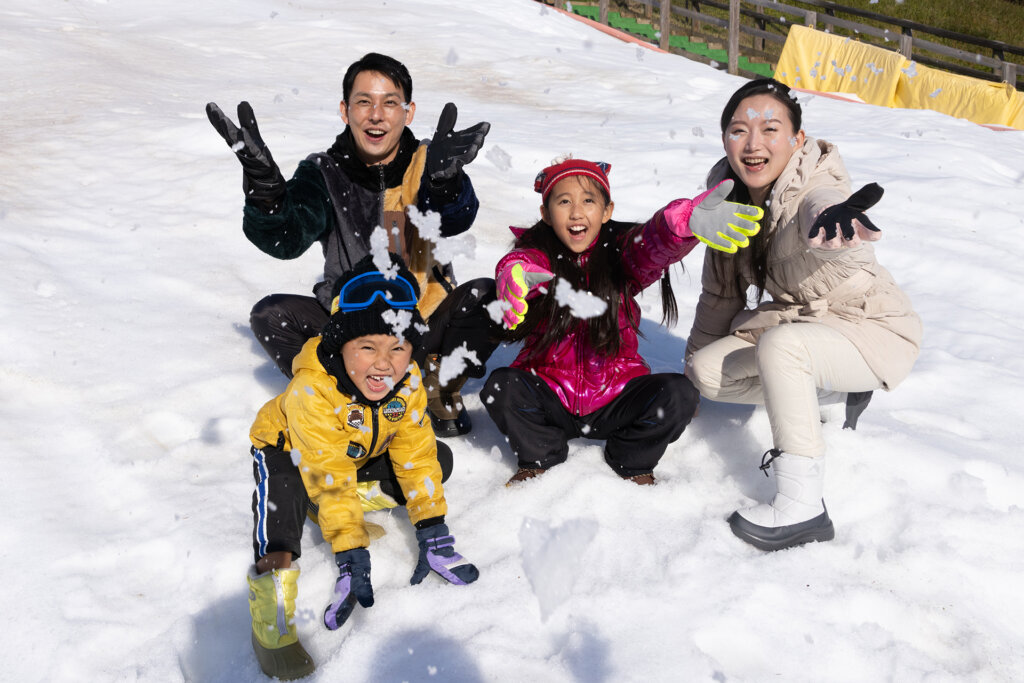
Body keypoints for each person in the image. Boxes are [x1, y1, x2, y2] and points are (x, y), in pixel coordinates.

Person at [685, 78, 922, 551]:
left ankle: (803, 506)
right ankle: (838, 392)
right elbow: (720, 295)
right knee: (707, 373)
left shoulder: (815, 186)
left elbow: (819, 199)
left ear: (796, 140)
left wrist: (833, 217)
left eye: (771, 129)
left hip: (868, 326)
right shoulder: (727, 205)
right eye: (738, 131)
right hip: (801, 326)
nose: (753, 145)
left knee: (782, 348)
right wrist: (687, 377)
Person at [206, 52, 497, 438]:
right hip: (351, 326)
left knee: (487, 297)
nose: (376, 115)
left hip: (422, 322)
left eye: (390, 102)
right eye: (364, 102)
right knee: (270, 315)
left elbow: (454, 217)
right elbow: (287, 239)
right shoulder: (324, 171)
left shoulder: (428, 160)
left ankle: (434, 386)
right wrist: (267, 197)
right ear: (345, 110)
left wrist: (445, 185)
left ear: (408, 113)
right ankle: (340, 393)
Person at [245, 254, 479, 680]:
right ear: (341, 345)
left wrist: (432, 527)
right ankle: (271, 625)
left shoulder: (404, 384)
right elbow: (327, 473)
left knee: (437, 462)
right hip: (291, 453)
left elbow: (416, 453)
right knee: (282, 525)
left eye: (398, 347)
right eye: (367, 347)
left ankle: (331, 510)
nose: (383, 363)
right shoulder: (312, 390)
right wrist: (352, 553)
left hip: (353, 455)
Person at [481, 158, 763, 486]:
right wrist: (511, 275)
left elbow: (650, 246)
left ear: (606, 210)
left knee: (679, 393)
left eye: (588, 200)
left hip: (615, 396)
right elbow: (522, 261)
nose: (576, 212)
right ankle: (540, 454)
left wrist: (678, 225)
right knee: (502, 386)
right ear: (545, 213)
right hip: (550, 394)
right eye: (563, 201)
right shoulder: (538, 257)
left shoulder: (622, 256)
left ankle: (632, 459)